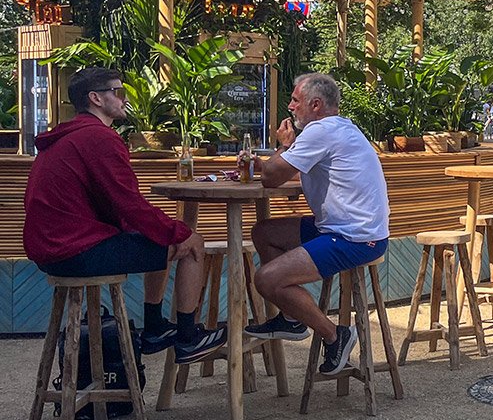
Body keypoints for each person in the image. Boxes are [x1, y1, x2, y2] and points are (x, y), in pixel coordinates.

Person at [22, 66, 225, 364]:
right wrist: (179, 233)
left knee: (161, 233)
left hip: (51, 247)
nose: (125, 98)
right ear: (96, 99)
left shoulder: (68, 136)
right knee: (192, 241)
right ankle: (188, 337)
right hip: (73, 249)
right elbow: (128, 204)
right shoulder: (98, 138)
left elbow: (118, 206)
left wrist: (165, 229)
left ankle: (155, 328)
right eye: (118, 92)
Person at [248, 73, 389, 376]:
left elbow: (273, 177)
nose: (290, 107)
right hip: (347, 227)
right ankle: (292, 316)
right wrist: (271, 163)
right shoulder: (340, 128)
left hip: (354, 236)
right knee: (264, 232)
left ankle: (335, 335)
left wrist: (285, 146)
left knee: (267, 280)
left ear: (314, 104)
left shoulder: (319, 131)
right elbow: (284, 172)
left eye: (295, 101)